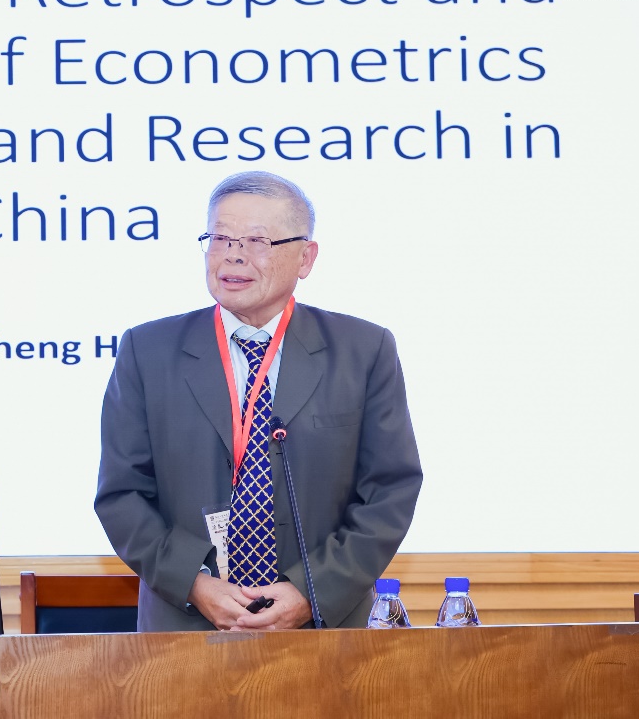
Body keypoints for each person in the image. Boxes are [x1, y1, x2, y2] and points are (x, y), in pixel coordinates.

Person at [95, 171, 422, 631]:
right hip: (186, 631)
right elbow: (122, 494)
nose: (233, 254)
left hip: (324, 630)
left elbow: (389, 492)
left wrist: (311, 591)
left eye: (256, 241)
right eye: (220, 238)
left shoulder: (363, 350)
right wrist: (193, 583)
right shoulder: (147, 351)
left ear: (305, 257)